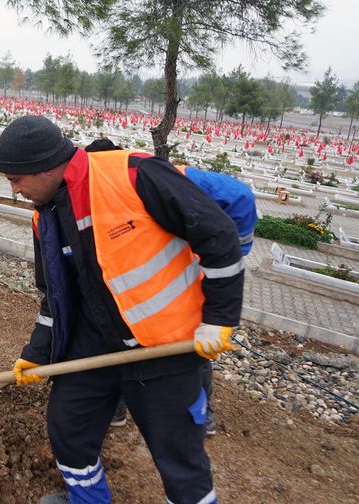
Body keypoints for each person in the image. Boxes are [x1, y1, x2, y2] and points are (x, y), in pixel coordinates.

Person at [0, 117, 244, 504]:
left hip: (162, 347)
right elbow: (55, 297)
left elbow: (219, 233)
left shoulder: (133, 175)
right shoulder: (43, 216)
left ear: (46, 166)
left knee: (179, 457)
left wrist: (220, 318)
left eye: (16, 179)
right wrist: (35, 352)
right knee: (68, 428)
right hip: (94, 346)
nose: (14, 189)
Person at [85, 138, 257, 434]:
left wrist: (226, 252)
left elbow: (240, 196)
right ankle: (116, 409)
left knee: (193, 339)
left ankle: (204, 418)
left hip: (200, 268)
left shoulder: (166, 179)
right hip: (164, 272)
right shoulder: (108, 193)